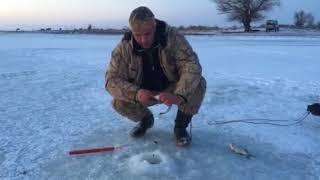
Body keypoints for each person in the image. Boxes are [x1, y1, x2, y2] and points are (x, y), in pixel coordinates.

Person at [105, 6, 206, 146]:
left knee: (199, 84)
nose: (143, 40)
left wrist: (179, 95)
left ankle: (180, 128)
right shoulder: (123, 48)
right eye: (138, 35)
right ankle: (146, 120)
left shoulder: (173, 37)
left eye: (147, 34)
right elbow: (111, 80)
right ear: (131, 31)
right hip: (143, 93)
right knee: (118, 102)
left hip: (171, 89)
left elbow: (191, 65)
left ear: (155, 26)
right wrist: (136, 93)